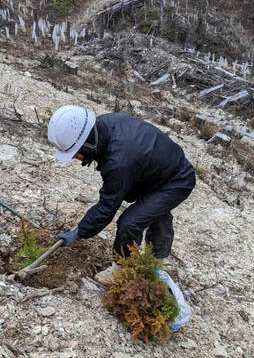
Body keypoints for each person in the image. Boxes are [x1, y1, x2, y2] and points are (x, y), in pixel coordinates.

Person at [47, 105, 196, 285]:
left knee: (130, 222)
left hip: (176, 180)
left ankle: (122, 269)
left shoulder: (119, 162)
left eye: (75, 153)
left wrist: (79, 232)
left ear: (87, 144)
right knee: (150, 210)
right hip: (155, 168)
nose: (73, 158)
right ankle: (156, 256)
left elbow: (107, 206)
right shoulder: (103, 124)